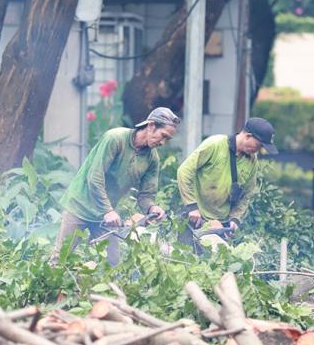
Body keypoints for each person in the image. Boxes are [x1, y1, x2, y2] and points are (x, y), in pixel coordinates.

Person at [51, 107, 180, 267]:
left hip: (105, 216)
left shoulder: (152, 159)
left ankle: (88, 291)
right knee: (60, 259)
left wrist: (152, 208)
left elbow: (146, 195)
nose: (163, 142)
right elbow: (95, 178)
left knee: (111, 263)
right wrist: (108, 210)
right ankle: (48, 291)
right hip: (80, 206)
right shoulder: (115, 138)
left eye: (167, 140)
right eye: (163, 136)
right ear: (151, 125)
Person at [176, 118, 278, 249]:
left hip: (220, 224)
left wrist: (234, 218)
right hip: (194, 218)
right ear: (248, 136)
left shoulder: (252, 161)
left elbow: (247, 194)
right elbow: (184, 172)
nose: (257, 150)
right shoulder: (215, 145)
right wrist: (191, 207)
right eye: (258, 146)